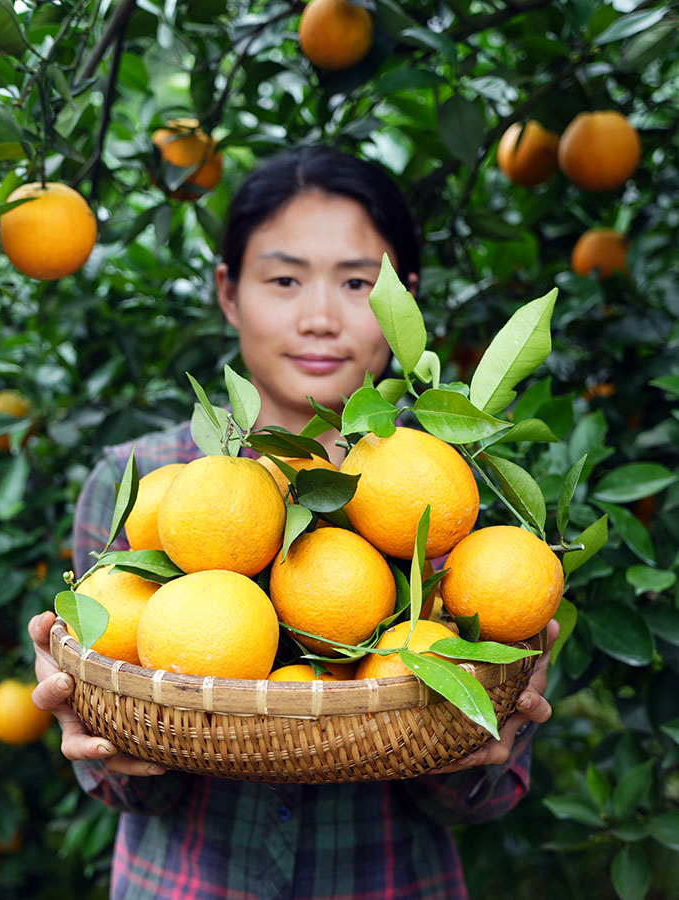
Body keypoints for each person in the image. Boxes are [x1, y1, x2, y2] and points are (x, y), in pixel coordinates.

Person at [29, 146, 559, 900]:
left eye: (356, 283)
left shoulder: (455, 507)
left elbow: (483, 798)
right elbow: (129, 784)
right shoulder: (141, 487)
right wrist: (97, 733)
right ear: (229, 292)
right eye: (283, 279)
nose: (318, 316)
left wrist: (482, 733)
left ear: (403, 300)